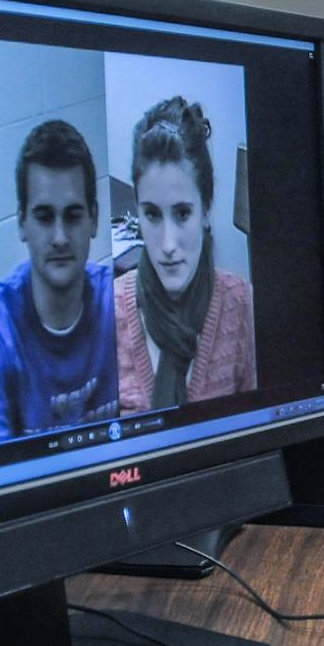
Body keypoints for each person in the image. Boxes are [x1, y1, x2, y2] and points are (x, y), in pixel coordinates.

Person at [0, 120, 121, 453]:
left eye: (74, 216)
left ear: (94, 218)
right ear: (22, 222)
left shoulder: (123, 306)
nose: (60, 237)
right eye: (45, 217)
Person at [115, 95, 256, 413]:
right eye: (152, 214)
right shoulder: (107, 313)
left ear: (205, 210)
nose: (167, 245)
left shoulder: (241, 304)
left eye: (181, 214)